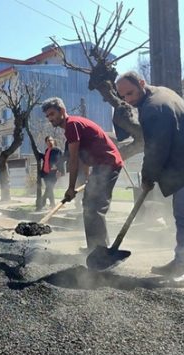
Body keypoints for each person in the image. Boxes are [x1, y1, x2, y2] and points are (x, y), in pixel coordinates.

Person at [116, 71, 184, 286]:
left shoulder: (153, 108)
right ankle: (179, 260)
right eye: (123, 96)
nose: (128, 99)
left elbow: (156, 149)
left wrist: (147, 177)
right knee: (177, 210)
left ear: (142, 83)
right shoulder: (158, 93)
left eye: (131, 93)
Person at [42, 97, 123, 253]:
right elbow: (83, 158)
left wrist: (71, 188)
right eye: (48, 116)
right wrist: (84, 181)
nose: (50, 119)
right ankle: (95, 247)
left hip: (108, 164)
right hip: (101, 166)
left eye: (52, 114)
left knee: (94, 206)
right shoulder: (73, 127)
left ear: (62, 111)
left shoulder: (72, 125)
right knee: (88, 204)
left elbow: (73, 161)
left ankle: (100, 250)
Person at [38, 136, 63, 210]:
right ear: (46, 142)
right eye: (48, 141)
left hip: (53, 172)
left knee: (49, 187)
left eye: (51, 140)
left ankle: (42, 202)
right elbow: (46, 159)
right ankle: (52, 204)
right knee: (49, 189)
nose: (50, 142)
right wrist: (40, 154)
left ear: (53, 141)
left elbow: (60, 160)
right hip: (46, 172)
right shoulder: (47, 150)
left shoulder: (56, 150)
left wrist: (60, 170)